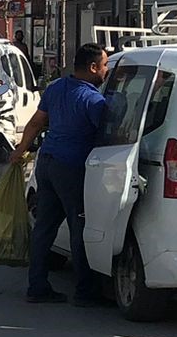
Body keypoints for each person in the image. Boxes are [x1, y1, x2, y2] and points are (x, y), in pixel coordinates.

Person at [14, 41, 110, 304]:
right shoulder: (94, 101)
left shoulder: (56, 87)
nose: (106, 71)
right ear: (92, 67)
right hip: (71, 168)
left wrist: (20, 150)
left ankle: (37, 287)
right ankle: (85, 292)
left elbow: (36, 122)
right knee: (79, 227)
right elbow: (109, 137)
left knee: (44, 227)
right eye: (104, 65)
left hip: (47, 161)